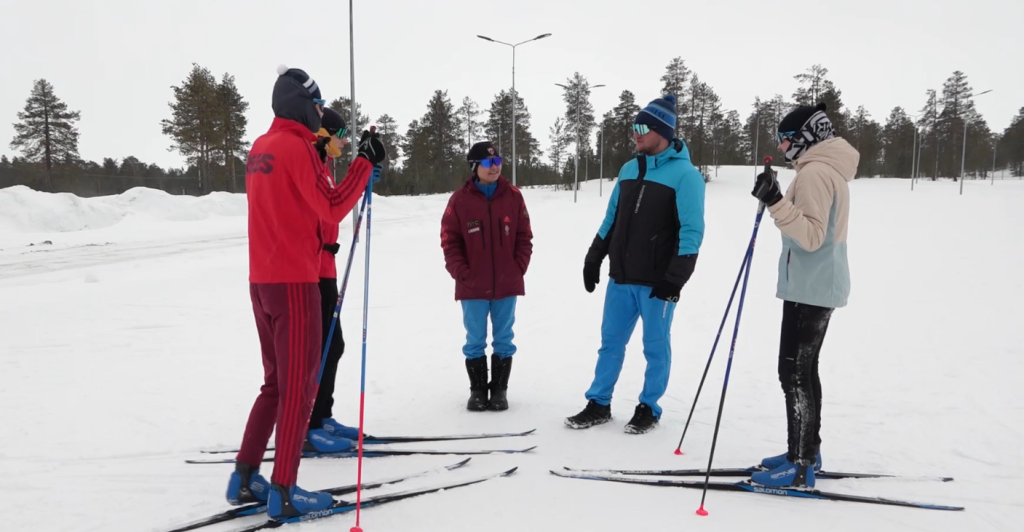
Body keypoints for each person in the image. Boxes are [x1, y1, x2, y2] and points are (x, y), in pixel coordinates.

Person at [226, 64, 386, 519]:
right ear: (302, 106)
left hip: (262, 281)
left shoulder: (262, 145)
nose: (321, 113)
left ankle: (245, 475)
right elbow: (331, 207)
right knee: (298, 390)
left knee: (276, 384)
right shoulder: (296, 147)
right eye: (318, 105)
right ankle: (285, 490)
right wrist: (363, 165)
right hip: (295, 282)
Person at [565, 94, 705, 435]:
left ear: (662, 132)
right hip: (621, 277)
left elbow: (692, 231)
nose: (635, 134)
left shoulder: (686, 176)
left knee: (655, 347)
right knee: (610, 343)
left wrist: (676, 278)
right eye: (634, 127)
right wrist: (594, 256)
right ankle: (599, 402)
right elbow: (611, 218)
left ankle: (649, 407)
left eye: (642, 128)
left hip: (657, 282)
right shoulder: (629, 169)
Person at [748, 102, 859, 488]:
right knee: (804, 371)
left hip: (812, 286)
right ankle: (806, 451)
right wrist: (778, 200)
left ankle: (800, 465)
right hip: (816, 283)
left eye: (785, 138)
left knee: (794, 373)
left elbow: (810, 237)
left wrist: (775, 201)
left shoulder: (814, 174)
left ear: (805, 138)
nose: (781, 146)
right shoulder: (825, 169)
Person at [303, 106, 382, 451]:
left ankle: (322, 416)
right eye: (341, 135)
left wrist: (362, 180)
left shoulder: (325, 168)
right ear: (324, 135)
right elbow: (328, 210)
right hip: (310, 270)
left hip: (326, 269)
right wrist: (360, 173)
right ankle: (308, 424)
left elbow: (335, 206)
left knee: (332, 346)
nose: (345, 141)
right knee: (320, 349)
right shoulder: (311, 166)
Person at [440, 141, 533, 412]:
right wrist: (461, 273)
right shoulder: (459, 200)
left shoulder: (513, 196)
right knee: (475, 340)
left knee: (504, 338)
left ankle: (499, 390)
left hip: (507, 283)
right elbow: (449, 241)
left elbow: (524, 237)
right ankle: (478, 391)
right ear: (475, 167)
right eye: (488, 163)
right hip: (472, 285)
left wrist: (518, 267)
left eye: (497, 161)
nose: (494, 167)